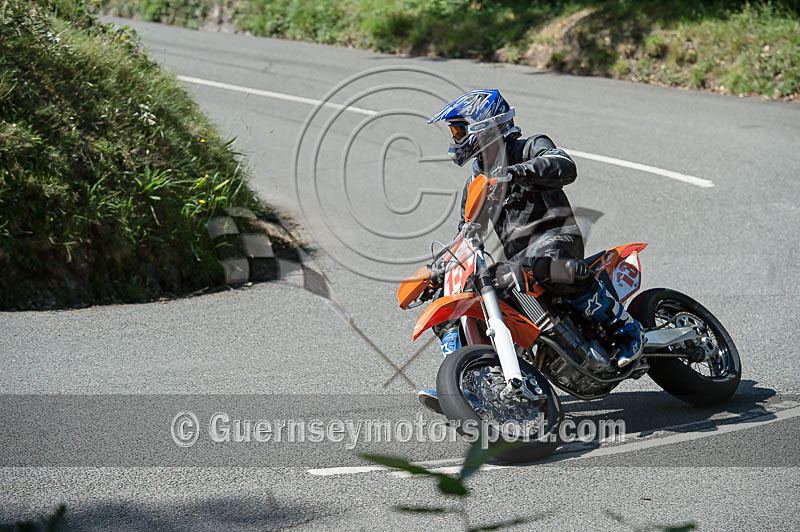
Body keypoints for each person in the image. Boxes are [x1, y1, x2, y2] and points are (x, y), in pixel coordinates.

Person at [419, 90, 644, 411]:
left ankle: (624, 328)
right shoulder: (476, 184)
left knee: (545, 265)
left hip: (556, 240)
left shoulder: (528, 147)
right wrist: (438, 271)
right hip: (520, 261)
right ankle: (468, 380)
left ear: (484, 125)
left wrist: (515, 172)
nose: (455, 138)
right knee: (455, 301)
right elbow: (468, 235)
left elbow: (564, 165)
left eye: (459, 129)